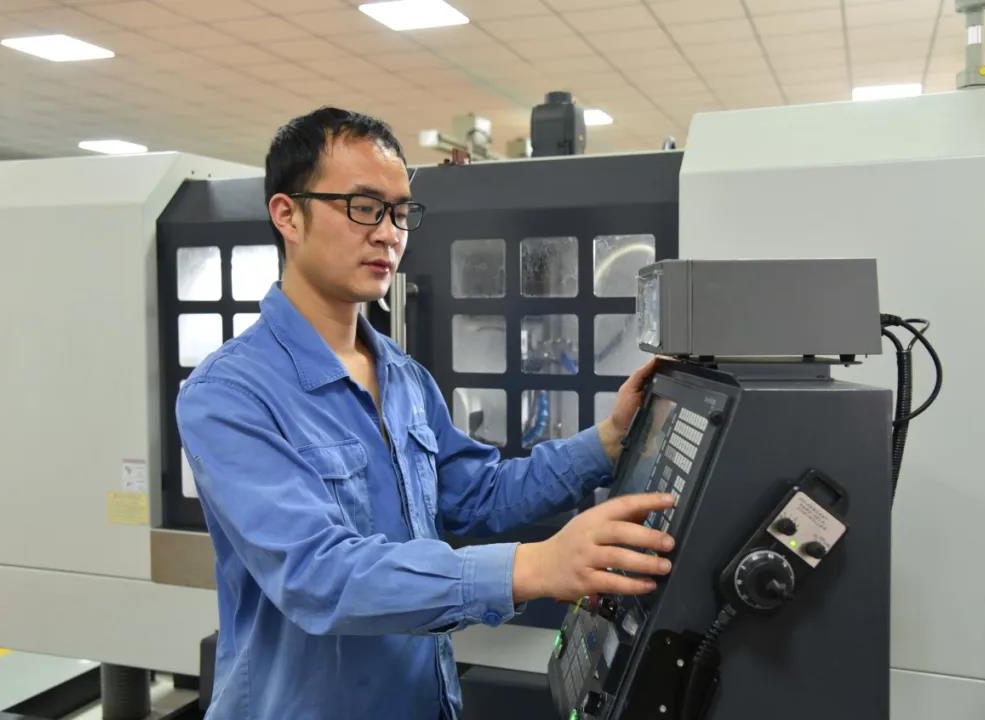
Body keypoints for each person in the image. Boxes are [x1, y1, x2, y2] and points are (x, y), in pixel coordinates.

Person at [176, 107, 676, 720]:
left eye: (400, 212)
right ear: (288, 215)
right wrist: (534, 566)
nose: (389, 233)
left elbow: (479, 494)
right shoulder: (230, 393)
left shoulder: (403, 376)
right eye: (364, 207)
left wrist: (608, 440)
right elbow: (317, 576)